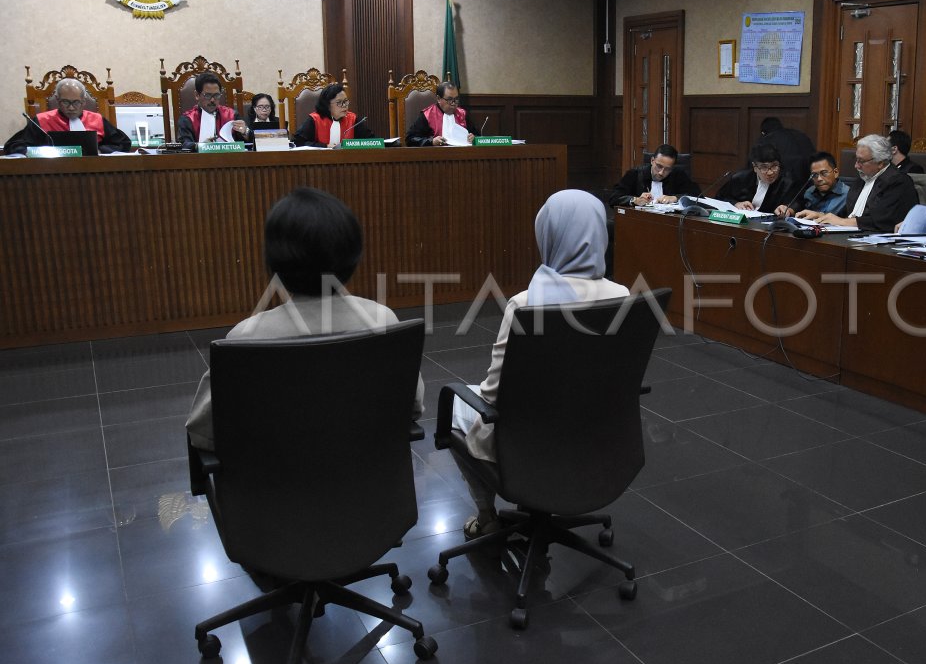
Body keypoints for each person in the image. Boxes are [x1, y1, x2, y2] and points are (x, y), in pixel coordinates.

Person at [186, 186, 424, 452]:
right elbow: (412, 406)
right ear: (353, 255)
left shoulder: (245, 338)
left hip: (271, 488)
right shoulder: (384, 321)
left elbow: (204, 433)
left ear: (274, 262)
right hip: (371, 484)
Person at [451, 189, 629, 537]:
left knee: (460, 401)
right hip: (597, 433)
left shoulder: (527, 304)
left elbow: (491, 396)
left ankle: (488, 515)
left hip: (529, 443)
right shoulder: (622, 296)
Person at [807, 134, 917, 231]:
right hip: (850, 234)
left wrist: (843, 222)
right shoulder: (862, 179)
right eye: (856, 159)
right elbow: (848, 214)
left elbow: (883, 220)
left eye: (861, 161)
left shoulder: (898, 182)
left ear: (880, 162)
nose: (856, 166)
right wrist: (821, 216)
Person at [4, 78, 131, 155]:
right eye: (65, 102)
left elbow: (123, 143)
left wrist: (99, 150)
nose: (71, 107)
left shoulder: (96, 119)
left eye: (76, 102)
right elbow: (13, 146)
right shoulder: (42, 121)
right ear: (58, 101)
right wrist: (41, 152)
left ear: (83, 102)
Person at [717, 143, 802, 213]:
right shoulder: (740, 179)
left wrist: (788, 209)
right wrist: (736, 203)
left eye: (774, 166)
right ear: (755, 167)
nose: (770, 172)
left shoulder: (788, 183)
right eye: (764, 167)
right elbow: (719, 198)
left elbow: (798, 203)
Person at [609, 144, 700, 206]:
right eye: (659, 166)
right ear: (652, 161)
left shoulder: (678, 175)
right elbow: (614, 198)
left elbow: (698, 196)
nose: (661, 172)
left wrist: (676, 198)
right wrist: (634, 200)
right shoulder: (635, 173)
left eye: (667, 169)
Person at [177, 72, 248, 151]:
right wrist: (200, 146)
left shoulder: (232, 115)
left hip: (230, 160)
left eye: (216, 95)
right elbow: (184, 144)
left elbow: (246, 144)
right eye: (207, 95)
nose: (212, 100)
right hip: (199, 161)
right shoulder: (188, 118)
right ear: (197, 95)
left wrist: (246, 132)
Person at [292, 83, 373, 148]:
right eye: (339, 102)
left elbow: (372, 141)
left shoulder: (352, 119)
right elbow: (297, 141)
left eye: (346, 101)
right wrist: (325, 146)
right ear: (327, 105)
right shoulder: (315, 119)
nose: (345, 105)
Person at [777, 151, 849, 217]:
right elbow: (798, 205)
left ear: (835, 172)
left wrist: (820, 216)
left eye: (824, 173)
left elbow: (851, 222)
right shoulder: (809, 192)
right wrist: (787, 210)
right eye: (814, 175)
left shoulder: (849, 195)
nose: (819, 179)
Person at [405, 81, 476, 147]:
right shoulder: (427, 115)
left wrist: (474, 138)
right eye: (449, 100)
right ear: (438, 99)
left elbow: (477, 136)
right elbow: (410, 139)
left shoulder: (462, 114)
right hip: (435, 157)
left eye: (456, 99)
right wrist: (431, 142)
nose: (453, 104)